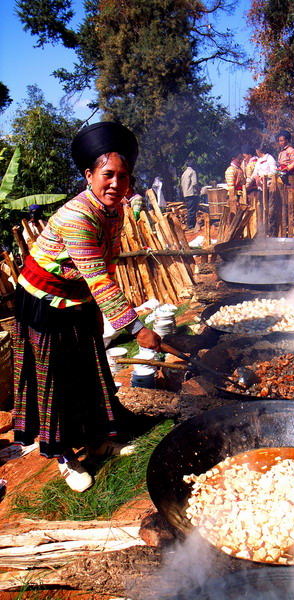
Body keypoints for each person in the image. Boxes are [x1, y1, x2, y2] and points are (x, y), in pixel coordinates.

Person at [13, 121, 161, 493]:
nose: (115, 183)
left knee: (90, 370)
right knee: (55, 379)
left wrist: (100, 313)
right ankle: (65, 457)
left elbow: (106, 264)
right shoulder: (77, 217)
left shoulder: (116, 211)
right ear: (88, 175)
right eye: (107, 174)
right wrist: (137, 328)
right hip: (43, 302)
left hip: (77, 298)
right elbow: (99, 279)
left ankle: (96, 441)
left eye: (123, 176)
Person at [180, 159, 201, 230]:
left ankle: (191, 224)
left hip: (186, 194)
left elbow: (182, 185)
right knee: (192, 210)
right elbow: (194, 183)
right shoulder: (192, 172)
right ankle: (191, 226)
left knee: (189, 209)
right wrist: (199, 189)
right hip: (192, 193)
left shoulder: (184, 173)